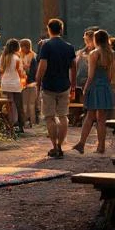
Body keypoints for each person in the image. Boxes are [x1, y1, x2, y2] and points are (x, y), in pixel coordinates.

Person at [33, 18, 77, 159]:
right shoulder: (69, 47)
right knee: (63, 116)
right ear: (61, 29)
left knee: (50, 117)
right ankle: (60, 145)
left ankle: (54, 146)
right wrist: (73, 84)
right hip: (64, 85)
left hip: (49, 86)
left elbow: (42, 66)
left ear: (49, 29)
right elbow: (73, 67)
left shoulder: (46, 46)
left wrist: (38, 82)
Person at [73, 29, 115, 154]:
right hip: (105, 86)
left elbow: (91, 75)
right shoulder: (111, 53)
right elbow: (110, 75)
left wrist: (85, 88)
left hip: (95, 86)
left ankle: (82, 143)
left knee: (89, 116)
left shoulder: (94, 54)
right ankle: (101, 146)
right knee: (101, 119)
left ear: (96, 40)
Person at [0, 38, 25, 133]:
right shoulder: (17, 58)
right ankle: (21, 126)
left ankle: (10, 125)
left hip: (5, 84)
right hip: (15, 84)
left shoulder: (3, 57)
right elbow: (20, 73)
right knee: (18, 105)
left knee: (8, 105)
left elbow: (1, 72)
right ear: (16, 47)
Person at [19, 38, 39, 127]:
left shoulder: (33, 57)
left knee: (30, 104)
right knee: (27, 104)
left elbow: (34, 71)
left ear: (26, 47)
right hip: (26, 83)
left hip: (30, 83)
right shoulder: (22, 56)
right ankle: (29, 122)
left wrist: (25, 69)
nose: (21, 49)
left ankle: (31, 122)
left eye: (22, 46)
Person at [73, 28, 96, 102]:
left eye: (89, 40)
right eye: (86, 40)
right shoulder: (80, 52)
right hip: (79, 81)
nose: (87, 42)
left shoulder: (96, 53)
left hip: (91, 81)